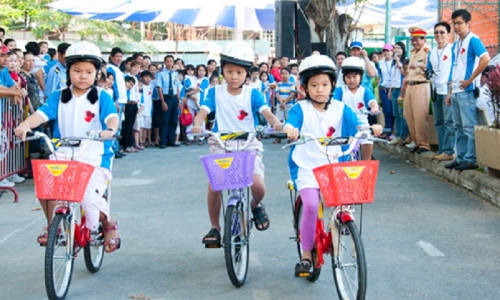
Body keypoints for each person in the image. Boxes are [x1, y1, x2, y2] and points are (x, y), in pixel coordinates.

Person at [14, 41, 121, 253]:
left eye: (89, 72)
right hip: (63, 152)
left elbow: (111, 118)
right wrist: (26, 124)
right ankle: (56, 227)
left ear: (96, 73)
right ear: (68, 71)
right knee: (47, 188)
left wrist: (109, 129)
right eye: (77, 71)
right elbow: (42, 114)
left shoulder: (102, 97)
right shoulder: (59, 96)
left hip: (95, 154)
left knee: (89, 200)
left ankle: (108, 224)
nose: (83, 76)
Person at [282, 54, 382, 275]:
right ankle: (306, 254)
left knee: (342, 205)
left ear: (332, 85)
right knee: (310, 205)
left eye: (325, 84)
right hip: (307, 166)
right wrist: (290, 128)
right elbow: (291, 122)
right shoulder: (300, 109)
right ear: (305, 87)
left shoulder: (341, 108)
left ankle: (340, 229)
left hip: (336, 166)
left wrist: (369, 129)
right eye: (314, 85)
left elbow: (357, 126)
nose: (320, 89)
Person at [191, 41, 283, 246]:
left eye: (239, 72)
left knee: (258, 186)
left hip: (248, 143)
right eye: (229, 71)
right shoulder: (215, 92)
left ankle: (255, 205)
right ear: (222, 69)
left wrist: (276, 123)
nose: (234, 76)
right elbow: (203, 112)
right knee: (215, 185)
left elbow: (266, 112)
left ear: (247, 74)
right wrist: (197, 125)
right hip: (221, 143)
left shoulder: (252, 93)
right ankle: (215, 227)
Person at [445, 9, 491, 171]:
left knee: (468, 126)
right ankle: (462, 156)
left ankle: (471, 158)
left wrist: (471, 79)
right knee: (458, 125)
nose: (456, 27)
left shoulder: (473, 39)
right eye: (454, 23)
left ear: (468, 23)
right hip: (456, 90)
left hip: (467, 89)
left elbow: (486, 58)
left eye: (459, 23)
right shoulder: (457, 44)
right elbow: (455, 67)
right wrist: (450, 92)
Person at [334, 56, 381, 160]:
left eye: (355, 76)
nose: (351, 80)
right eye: (348, 77)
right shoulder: (340, 90)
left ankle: (366, 162)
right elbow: (333, 103)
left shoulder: (364, 91)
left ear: (360, 77)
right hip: (344, 123)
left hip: (361, 122)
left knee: (367, 139)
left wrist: (374, 108)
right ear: (344, 78)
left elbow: (372, 101)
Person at [426, 21, 455, 162]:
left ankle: (449, 151)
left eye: (442, 32)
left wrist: (451, 88)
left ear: (448, 34)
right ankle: (442, 150)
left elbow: (456, 69)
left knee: (449, 122)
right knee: (438, 122)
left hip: (448, 90)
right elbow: (429, 70)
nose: (439, 35)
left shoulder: (453, 49)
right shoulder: (431, 52)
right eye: (436, 32)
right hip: (435, 90)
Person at [404, 27, 431, 154]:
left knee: (420, 116)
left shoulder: (427, 52)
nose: (414, 42)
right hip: (410, 84)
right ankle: (416, 141)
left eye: (417, 40)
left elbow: (431, 67)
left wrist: (420, 65)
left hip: (421, 84)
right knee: (409, 115)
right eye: (412, 40)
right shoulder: (412, 52)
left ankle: (424, 144)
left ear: (423, 39)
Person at [156, 55, 181, 148]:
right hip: (166, 97)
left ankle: (171, 140)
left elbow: (177, 87)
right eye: (168, 61)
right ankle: (163, 141)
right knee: (164, 120)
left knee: (173, 119)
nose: (169, 63)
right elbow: (159, 88)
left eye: (171, 61)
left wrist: (179, 101)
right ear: (165, 62)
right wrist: (162, 101)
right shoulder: (161, 74)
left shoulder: (175, 74)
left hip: (174, 97)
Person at [107, 47, 128, 158]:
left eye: (120, 56)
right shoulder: (110, 68)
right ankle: (114, 149)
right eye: (117, 56)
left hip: (122, 101)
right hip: (117, 101)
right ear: (111, 57)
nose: (119, 59)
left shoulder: (119, 69)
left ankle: (116, 147)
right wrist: (116, 101)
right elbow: (113, 86)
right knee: (115, 126)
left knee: (119, 126)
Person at [389, 41, 410, 146]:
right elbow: (392, 78)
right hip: (394, 90)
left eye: (399, 48)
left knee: (402, 113)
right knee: (396, 113)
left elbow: (405, 73)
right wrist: (390, 90)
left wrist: (398, 62)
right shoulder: (393, 63)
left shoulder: (404, 62)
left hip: (402, 90)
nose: (396, 50)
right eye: (395, 48)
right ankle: (397, 134)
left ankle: (403, 135)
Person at [377, 44, 395, 138]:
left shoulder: (395, 62)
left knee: (394, 111)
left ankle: (392, 131)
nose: (386, 53)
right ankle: (388, 131)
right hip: (383, 88)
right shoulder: (380, 63)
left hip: (393, 88)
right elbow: (379, 76)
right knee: (386, 110)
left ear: (392, 52)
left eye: (388, 51)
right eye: (384, 51)